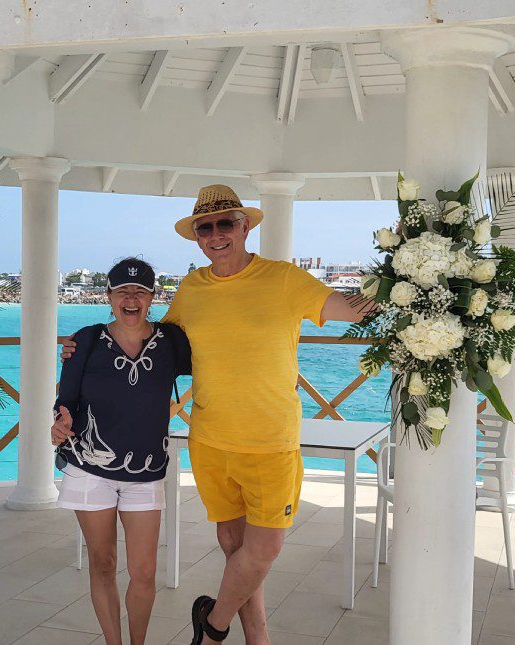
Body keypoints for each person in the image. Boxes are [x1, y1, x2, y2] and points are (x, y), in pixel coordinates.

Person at [63, 185, 367, 645]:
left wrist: (410, 295)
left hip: (270, 442)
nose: (216, 234)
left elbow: (349, 310)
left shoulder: (285, 279)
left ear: (245, 227)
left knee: (264, 548)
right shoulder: (192, 287)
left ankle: (212, 625)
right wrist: (83, 346)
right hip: (210, 441)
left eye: (226, 223)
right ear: (197, 237)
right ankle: (257, 638)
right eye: (206, 227)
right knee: (234, 548)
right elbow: (156, 338)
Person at [51, 257, 191, 645]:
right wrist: (60, 423)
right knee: (103, 563)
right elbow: (66, 400)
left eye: (141, 291)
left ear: (153, 297)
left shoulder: (173, 342)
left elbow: (222, 363)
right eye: (122, 291)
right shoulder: (86, 341)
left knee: (144, 572)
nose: (132, 298)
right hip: (88, 471)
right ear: (108, 296)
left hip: (146, 473)